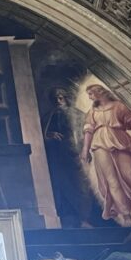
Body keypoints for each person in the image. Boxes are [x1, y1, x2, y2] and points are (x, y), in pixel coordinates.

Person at [80, 84, 131, 226]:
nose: (89, 97)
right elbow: (88, 132)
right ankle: (126, 216)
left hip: (121, 142)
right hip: (100, 145)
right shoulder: (92, 112)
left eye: (91, 94)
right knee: (112, 182)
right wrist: (85, 150)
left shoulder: (119, 106)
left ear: (100, 92)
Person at [42, 88, 95, 227]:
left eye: (61, 97)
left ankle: (86, 217)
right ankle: (73, 218)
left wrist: (84, 150)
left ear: (67, 98)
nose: (58, 101)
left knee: (83, 186)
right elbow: (41, 135)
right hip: (60, 157)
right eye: (55, 98)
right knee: (64, 186)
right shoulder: (50, 116)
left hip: (77, 154)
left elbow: (87, 133)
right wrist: (49, 135)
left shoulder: (78, 114)